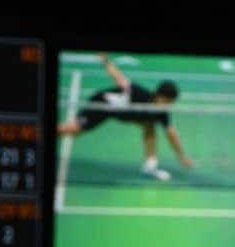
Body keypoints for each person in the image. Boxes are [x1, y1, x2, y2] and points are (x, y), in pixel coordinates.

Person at [56, 51, 195, 182]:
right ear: (160, 96)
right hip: (102, 106)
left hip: (123, 114)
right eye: (168, 102)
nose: (169, 105)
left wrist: (181, 157)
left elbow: (171, 134)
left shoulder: (161, 112)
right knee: (74, 130)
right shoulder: (140, 94)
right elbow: (119, 79)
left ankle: (150, 166)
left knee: (150, 126)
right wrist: (106, 60)